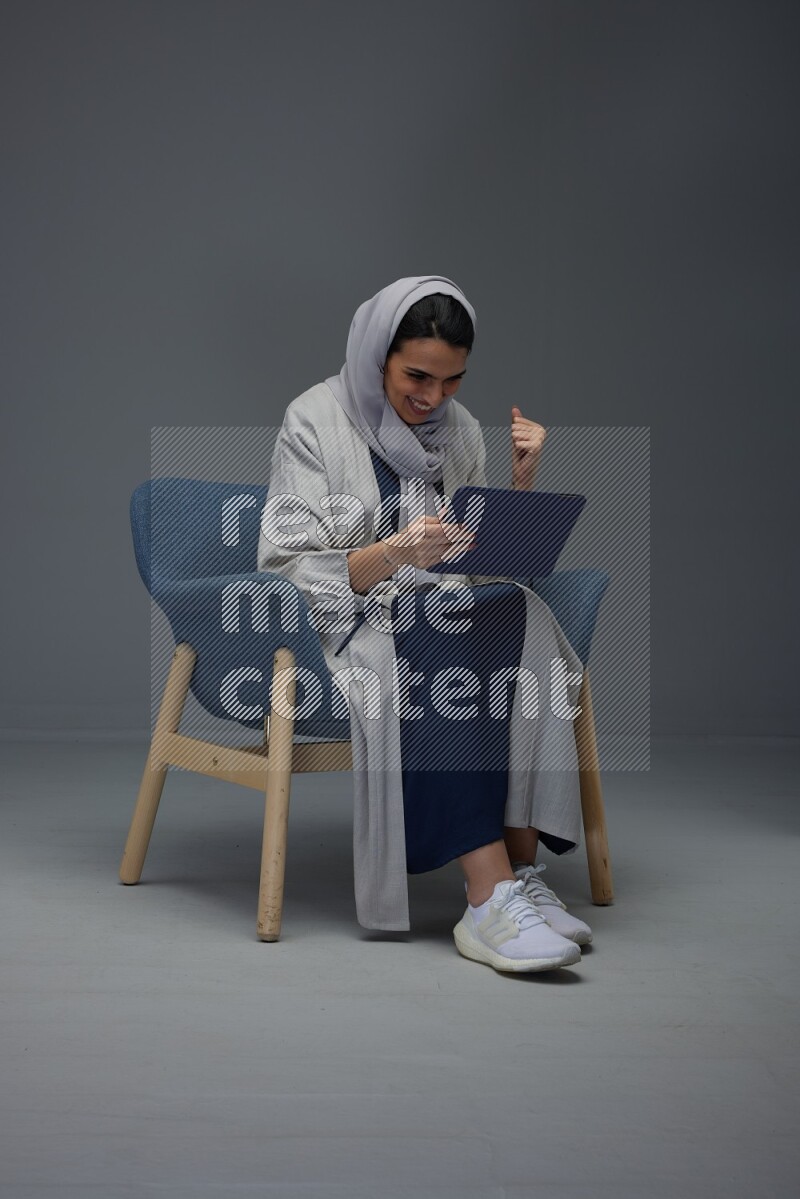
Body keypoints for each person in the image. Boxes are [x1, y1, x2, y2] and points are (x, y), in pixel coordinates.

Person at [257, 275, 593, 974]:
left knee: (524, 612)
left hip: (436, 615)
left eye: (451, 380)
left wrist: (521, 487)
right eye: (416, 375)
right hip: (346, 629)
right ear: (377, 353)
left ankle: (521, 869)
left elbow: (482, 570)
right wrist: (388, 555)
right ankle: (487, 895)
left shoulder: (461, 431)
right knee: (431, 621)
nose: (432, 397)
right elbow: (283, 565)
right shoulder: (313, 419)